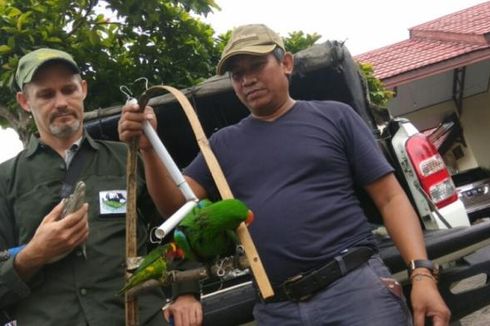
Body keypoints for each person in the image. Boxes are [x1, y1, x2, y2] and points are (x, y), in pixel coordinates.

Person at [118, 24, 451, 325]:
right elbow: (174, 206)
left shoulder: (335, 117)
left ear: (287, 63)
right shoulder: (221, 144)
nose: (247, 79)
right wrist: (149, 148)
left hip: (355, 291)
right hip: (277, 307)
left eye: (256, 66)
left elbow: (391, 198)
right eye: (236, 74)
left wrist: (421, 274)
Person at [0, 48, 201, 325]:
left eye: (68, 89)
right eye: (46, 94)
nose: (61, 102)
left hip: (136, 318)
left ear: (82, 90)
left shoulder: (127, 157)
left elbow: (176, 224)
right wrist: (34, 254)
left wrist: (186, 291)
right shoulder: (6, 179)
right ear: (24, 101)